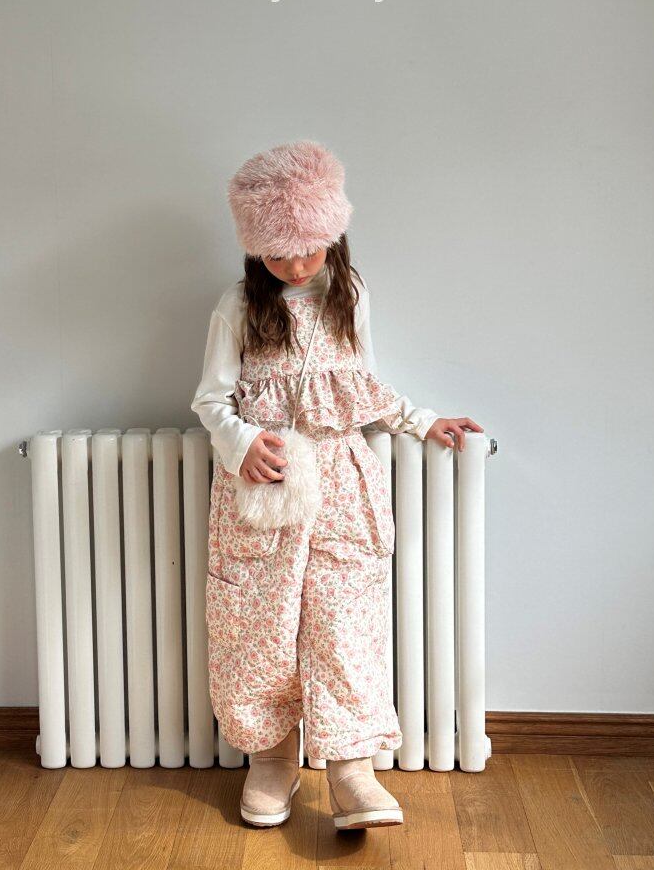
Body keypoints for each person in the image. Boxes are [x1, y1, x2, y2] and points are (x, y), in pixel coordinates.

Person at [190, 140, 483, 830]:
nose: (295, 267)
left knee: (344, 623)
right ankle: (272, 760)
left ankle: (353, 769)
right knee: (257, 623)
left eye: (307, 250)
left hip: (343, 486)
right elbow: (210, 400)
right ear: (256, 249)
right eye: (278, 254)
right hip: (266, 488)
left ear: (332, 234)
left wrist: (423, 421)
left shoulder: (351, 295)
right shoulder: (238, 305)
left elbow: (364, 387)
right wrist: (240, 444)